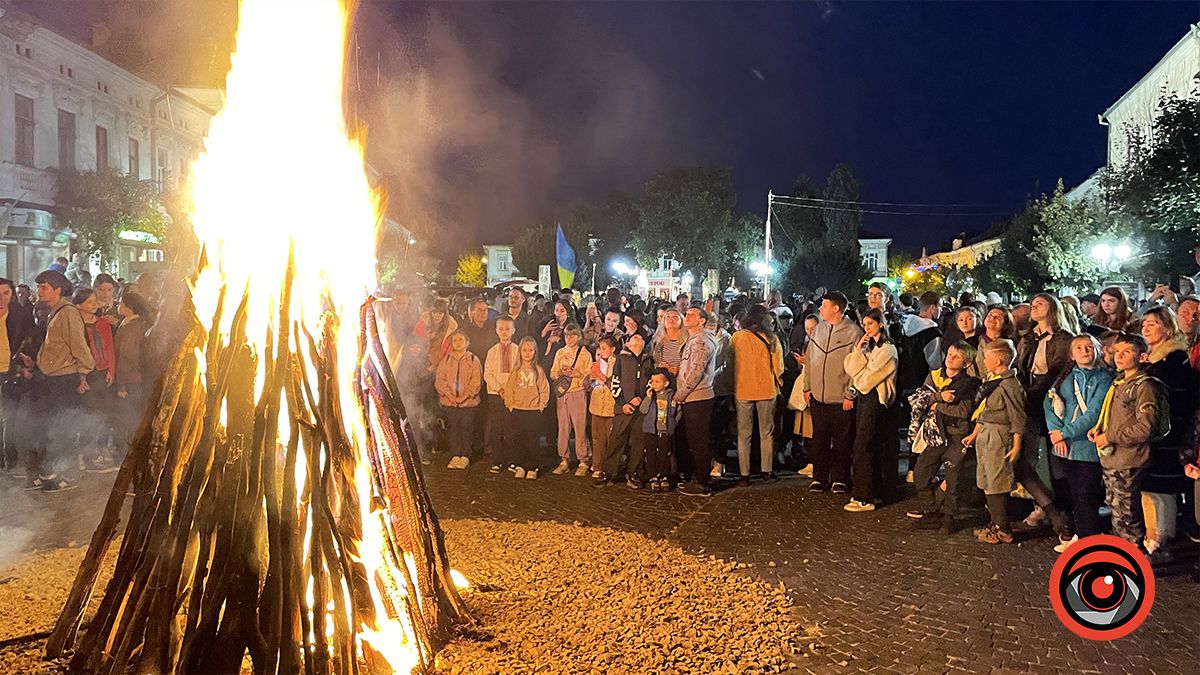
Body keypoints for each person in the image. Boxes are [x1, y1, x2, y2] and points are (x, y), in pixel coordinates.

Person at [1089, 334, 1163, 549]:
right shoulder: (1119, 382)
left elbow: (1145, 427)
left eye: (1127, 352)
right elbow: (1115, 416)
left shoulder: (1143, 386)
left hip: (1129, 460)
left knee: (1127, 516)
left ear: (1142, 356)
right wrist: (1099, 429)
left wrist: (1110, 436)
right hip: (1113, 459)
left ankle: (1133, 559)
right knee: (1117, 511)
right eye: (1116, 351)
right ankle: (1123, 553)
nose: (1119, 356)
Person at [1138, 305, 1197, 562]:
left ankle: (1160, 541)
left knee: (1161, 488)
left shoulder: (1173, 358)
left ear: (1167, 327)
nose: (1146, 328)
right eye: (1144, 324)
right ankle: (1153, 537)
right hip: (1152, 434)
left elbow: (1178, 397)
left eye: (1152, 324)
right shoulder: (1151, 357)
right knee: (1149, 486)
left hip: (1167, 434)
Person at [1044, 334, 1113, 553]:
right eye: (1079, 347)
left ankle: (1088, 540)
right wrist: (1055, 431)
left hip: (1087, 447)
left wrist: (1064, 432)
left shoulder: (1104, 379)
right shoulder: (1064, 379)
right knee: (1075, 494)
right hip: (1067, 448)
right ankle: (1083, 535)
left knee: (1086, 495)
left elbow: (1094, 413)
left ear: (1098, 351)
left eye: (1089, 347)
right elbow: (1050, 402)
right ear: (1072, 355)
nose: (1084, 351)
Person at [1012, 293, 1073, 538]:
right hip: (1028, 394)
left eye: (1040, 304)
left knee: (1052, 457)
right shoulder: (1028, 337)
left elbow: (1057, 370)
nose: (1034, 307)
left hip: (1047, 395)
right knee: (1030, 457)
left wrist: (1034, 393)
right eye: (1033, 304)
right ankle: (1046, 508)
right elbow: (1020, 365)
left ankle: (1061, 512)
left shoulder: (1062, 338)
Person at [907, 342, 981, 531]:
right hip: (936, 434)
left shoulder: (968, 384)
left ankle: (949, 516)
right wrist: (939, 397)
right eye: (949, 353)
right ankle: (932, 510)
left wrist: (937, 405)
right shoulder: (934, 376)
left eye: (956, 356)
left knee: (953, 478)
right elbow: (919, 399)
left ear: (966, 364)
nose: (950, 357)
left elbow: (963, 411)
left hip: (957, 435)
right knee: (921, 473)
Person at [31, 270, 94, 492]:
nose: (39, 291)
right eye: (38, 287)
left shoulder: (67, 312)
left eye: (44, 287)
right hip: (52, 378)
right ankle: (50, 473)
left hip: (63, 379)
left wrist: (85, 372)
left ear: (57, 290)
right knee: (53, 426)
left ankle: (55, 475)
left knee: (62, 426)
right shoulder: (54, 311)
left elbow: (78, 345)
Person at [962, 339, 1025, 545]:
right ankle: (996, 523)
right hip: (986, 435)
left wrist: (1017, 443)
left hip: (999, 436)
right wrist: (974, 434)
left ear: (998, 360)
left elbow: (1017, 416)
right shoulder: (992, 380)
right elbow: (986, 411)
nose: (984, 361)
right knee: (987, 480)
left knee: (997, 481)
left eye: (987, 357)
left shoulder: (1009, 384)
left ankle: (1003, 527)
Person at [801, 292, 863, 494]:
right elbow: (810, 360)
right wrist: (807, 386)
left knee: (842, 442)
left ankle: (840, 478)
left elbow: (858, 367)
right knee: (819, 440)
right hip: (818, 397)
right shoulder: (818, 330)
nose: (820, 309)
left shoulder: (854, 333)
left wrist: (850, 393)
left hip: (840, 399)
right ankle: (819, 477)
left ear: (836, 309)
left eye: (824, 306)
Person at [842, 308, 900, 511]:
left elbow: (868, 379)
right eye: (864, 324)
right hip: (865, 398)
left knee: (863, 444)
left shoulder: (888, 350)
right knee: (864, 443)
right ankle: (872, 490)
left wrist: (860, 374)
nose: (866, 328)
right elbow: (850, 367)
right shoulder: (869, 347)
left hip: (876, 398)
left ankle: (864, 496)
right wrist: (859, 350)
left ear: (881, 324)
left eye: (870, 324)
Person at [729, 304, 784, 483]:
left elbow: (730, 362)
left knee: (744, 433)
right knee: (766, 432)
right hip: (766, 389)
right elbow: (778, 367)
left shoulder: (737, 337)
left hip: (743, 388)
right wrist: (779, 382)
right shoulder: (771, 338)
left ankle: (744, 473)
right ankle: (766, 470)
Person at [675, 306, 719, 497]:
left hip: (697, 397)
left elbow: (696, 370)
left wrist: (682, 393)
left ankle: (703, 482)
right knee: (693, 438)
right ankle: (699, 476)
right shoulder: (694, 339)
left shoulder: (701, 341)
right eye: (687, 314)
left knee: (699, 440)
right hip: (693, 397)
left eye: (693, 314)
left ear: (702, 320)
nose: (687, 316)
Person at [74, 288, 118, 473]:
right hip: (86, 373)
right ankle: (86, 455)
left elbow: (109, 348)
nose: (94, 305)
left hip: (101, 373)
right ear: (78, 306)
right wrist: (80, 378)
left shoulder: (102, 323)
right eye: (90, 302)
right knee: (88, 415)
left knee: (102, 414)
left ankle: (97, 451)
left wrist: (111, 370)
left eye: (95, 301)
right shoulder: (75, 325)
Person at [0, 277, 37, 476]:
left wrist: (25, 362)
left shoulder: (20, 315)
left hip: (11, 372)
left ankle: (10, 459)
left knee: (10, 417)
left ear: (12, 294)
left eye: (6, 293)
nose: (1, 298)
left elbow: (30, 339)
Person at [502, 336, 549, 479]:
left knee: (533, 440)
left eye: (530, 350)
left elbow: (544, 389)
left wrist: (541, 405)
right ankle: (521, 465)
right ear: (520, 352)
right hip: (518, 410)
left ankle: (533, 466)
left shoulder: (538, 370)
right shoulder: (515, 371)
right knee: (519, 439)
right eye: (524, 350)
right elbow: (509, 388)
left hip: (533, 411)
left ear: (535, 352)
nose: (527, 353)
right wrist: (510, 405)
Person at [610, 330, 652, 488]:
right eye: (634, 337)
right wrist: (623, 403)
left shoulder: (648, 360)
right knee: (617, 438)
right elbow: (615, 382)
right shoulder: (622, 359)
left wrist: (641, 398)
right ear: (627, 343)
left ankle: (634, 471)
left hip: (641, 409)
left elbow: (650, 381)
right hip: (624, 407)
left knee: (638, 441)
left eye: (640, 338)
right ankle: (610, 470)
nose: (638, 339)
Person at [550, 324, 593, 476]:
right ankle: (564, 458)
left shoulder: (585, 354)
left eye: (573, 335)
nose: (569, 339)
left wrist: (578, 374)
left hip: (578, 392)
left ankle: (583, 459)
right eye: (567, 336)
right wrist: (561, 373)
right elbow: (553, 372)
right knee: (563, 426)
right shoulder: (560, 353)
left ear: (579, 337)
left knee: (580, 426)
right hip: (563, 394)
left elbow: (589, 375)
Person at [112, 292, 152, 453]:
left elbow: (127, 357)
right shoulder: (130, 324)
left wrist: (121, 384)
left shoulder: (131, 328)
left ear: (130, 308)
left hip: (130, 379)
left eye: (121, 304)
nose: (118, 306)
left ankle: (125, 450)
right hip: (135, 377)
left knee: (127, 415)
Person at [435, 331, 482, 470]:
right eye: (455, 340)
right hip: (451, 403)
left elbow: (476, 381)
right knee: (454, 428)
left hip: (468, 403)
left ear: (467, 343)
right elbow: (440, 380)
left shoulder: (473, 360)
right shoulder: (446, 360)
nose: (458, 342)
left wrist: (464, 396)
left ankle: (466, 455)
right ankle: (456, 453)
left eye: (461, 340)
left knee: (467, 428)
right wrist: (450, 396)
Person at [483, 317, 519, 473]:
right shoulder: (492, 351)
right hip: (495, 394)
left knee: (511, 427)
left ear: (513, 331)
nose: (504, 332)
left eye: (507, 329)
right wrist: (499, 389)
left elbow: (518, 372)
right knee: (496, 427)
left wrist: (509, 389)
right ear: (496, 331)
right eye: (501, 329)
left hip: (513, 394)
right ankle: (497, 460)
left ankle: (512, 459)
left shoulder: (518, 350)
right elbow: (488, 374)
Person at [641, 368, 681, 492]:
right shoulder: (651, 396)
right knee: (651, 454)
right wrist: (647, 398)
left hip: (665, 430)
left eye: (657, 381)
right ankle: (653, 476)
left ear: (666, 383)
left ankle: (664, 476)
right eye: (652, 381)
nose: (654, 384)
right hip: (650, 430)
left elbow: (678, 411)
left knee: (665, 454)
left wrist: (674, 423)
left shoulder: (671, 396)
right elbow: (643, 410)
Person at [896, 291, 943, 396]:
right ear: (932, 307)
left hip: (901, 383)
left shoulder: (903, 325)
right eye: (940, 306)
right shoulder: (932, 333)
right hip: (921, 387)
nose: (941, 310)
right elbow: (935, 365)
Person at [588, 336, 620, 485]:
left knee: (611, 438)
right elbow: (589, 384)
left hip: (611, 406)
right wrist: (591, 379)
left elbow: (617, 382)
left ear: (612, 349)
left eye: (604, 348)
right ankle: (598, 467)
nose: (601, 352)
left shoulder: (618, 363)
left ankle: (610, 468)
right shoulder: (595, 364)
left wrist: (605, 378)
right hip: (596, 405)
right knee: (597, 438)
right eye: (600, 349)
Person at [652, 308, 687, 376]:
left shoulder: (687, 342)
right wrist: (659, 366)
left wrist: (679, 370)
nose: (671, 319)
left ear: (681, 321)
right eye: (668, 317)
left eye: (675, 317)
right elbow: (654, 362)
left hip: (681, 381)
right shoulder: (658, 342)